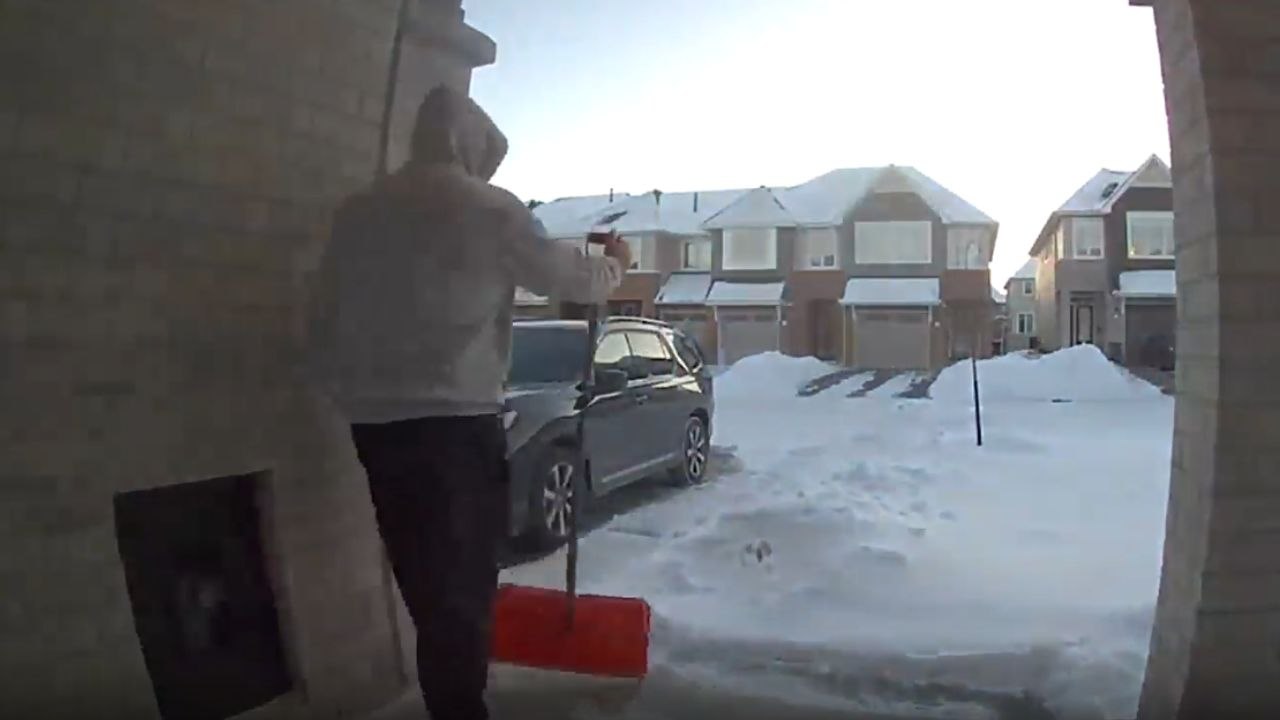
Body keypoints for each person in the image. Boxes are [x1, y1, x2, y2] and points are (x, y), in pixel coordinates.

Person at [307, 85, 630, 720]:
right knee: (462, 587)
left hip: (375, 426)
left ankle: (450, 698)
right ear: (471, 144)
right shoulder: (489, 209)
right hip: (454, 423)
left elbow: (322, 317)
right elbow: (570, 279)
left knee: (426, 583)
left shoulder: (357, 212)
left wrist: (343, 389)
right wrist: (613, 264)